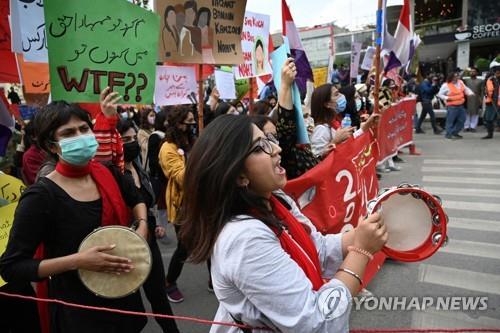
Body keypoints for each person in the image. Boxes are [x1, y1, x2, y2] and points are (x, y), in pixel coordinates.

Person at [178, 114, 387, 332]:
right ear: (239, 176)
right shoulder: (244, 239)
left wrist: (363, 233)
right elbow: (317, 322)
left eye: (271, 139)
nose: (276, 149)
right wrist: (361, 251)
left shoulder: (278, 200)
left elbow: (316, 250)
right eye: (260, 148)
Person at [0, 101, 147, 332]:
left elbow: (137, 197)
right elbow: (13, 267)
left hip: (123, 296)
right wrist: (78, 261)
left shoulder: (106, 171)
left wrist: (142, 226)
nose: (80, 136)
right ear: (52, 145)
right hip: (80, 314)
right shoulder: (40, 196)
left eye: (84, 128)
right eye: (68, 133)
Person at [117, 119, 179, 333]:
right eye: (125, 140)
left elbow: (147, 200)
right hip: (123, 248)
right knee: (131, 309)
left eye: (133, 138)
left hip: (148, 241)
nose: (131, 143)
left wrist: (153, 224)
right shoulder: (111, 174)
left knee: (159, 296)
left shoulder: (137, 166)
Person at [159, 106, 197, 303]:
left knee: (212, 239)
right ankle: (169, 282)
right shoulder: (168, 148)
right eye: (187, 122)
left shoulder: (191, 142)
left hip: (201, 200)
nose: (191, 125)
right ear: (177, 124)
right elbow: (182, 177)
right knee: (185, 247)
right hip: (182, 205)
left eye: (193, 121)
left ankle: (215, 281)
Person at [437, 72, 474, 139]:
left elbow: (466, 89)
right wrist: (447, 98)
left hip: (460, 105)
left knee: (462, 120)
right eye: (455, 76)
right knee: (450, 121)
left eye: (457, 76)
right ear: (451, 77)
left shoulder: (460, 82)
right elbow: (439, 94)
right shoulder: (446, 85)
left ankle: (454, 132)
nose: (457, 78)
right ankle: (448, 134)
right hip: (452, 106)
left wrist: (470, 93)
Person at [463, 67, 484, 132]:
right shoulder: (466, 80)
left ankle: (473, 127)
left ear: (477, 73)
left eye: (474, 71)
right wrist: (464, 71)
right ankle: (466, 127)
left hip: (476, 98)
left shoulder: (480, 81)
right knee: (467, 113)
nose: (472, 72)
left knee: (475, 113)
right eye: (471, 71)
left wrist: (481, 99)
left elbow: (482, 91)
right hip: (467, 98)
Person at [482, 66, 500, 139]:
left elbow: (490, 91)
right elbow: (488, 91)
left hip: (494, 102)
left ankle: (490, 134)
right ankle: (490, 134)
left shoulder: (492, 80)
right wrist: (486, 94)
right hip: (492, 102)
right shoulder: (491, 80)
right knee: (488, 119)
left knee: (489, 119)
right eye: (497, 72)